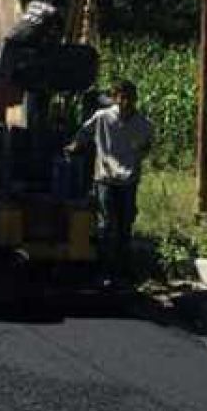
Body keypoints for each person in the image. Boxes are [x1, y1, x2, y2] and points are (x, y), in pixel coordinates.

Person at [66, 79, 155, 275]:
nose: (126, 103)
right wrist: (74, 146)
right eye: (121, 98)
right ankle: (104, 268)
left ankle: (122, 267)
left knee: (125, 224)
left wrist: (139, 155)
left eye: (130, 98)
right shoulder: (102, 117)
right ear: (114, 99)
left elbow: (148, 143)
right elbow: (83, 133)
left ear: (135, 99)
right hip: (105, 178)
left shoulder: (143, 124)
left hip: (128, 180)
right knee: (106, 224)